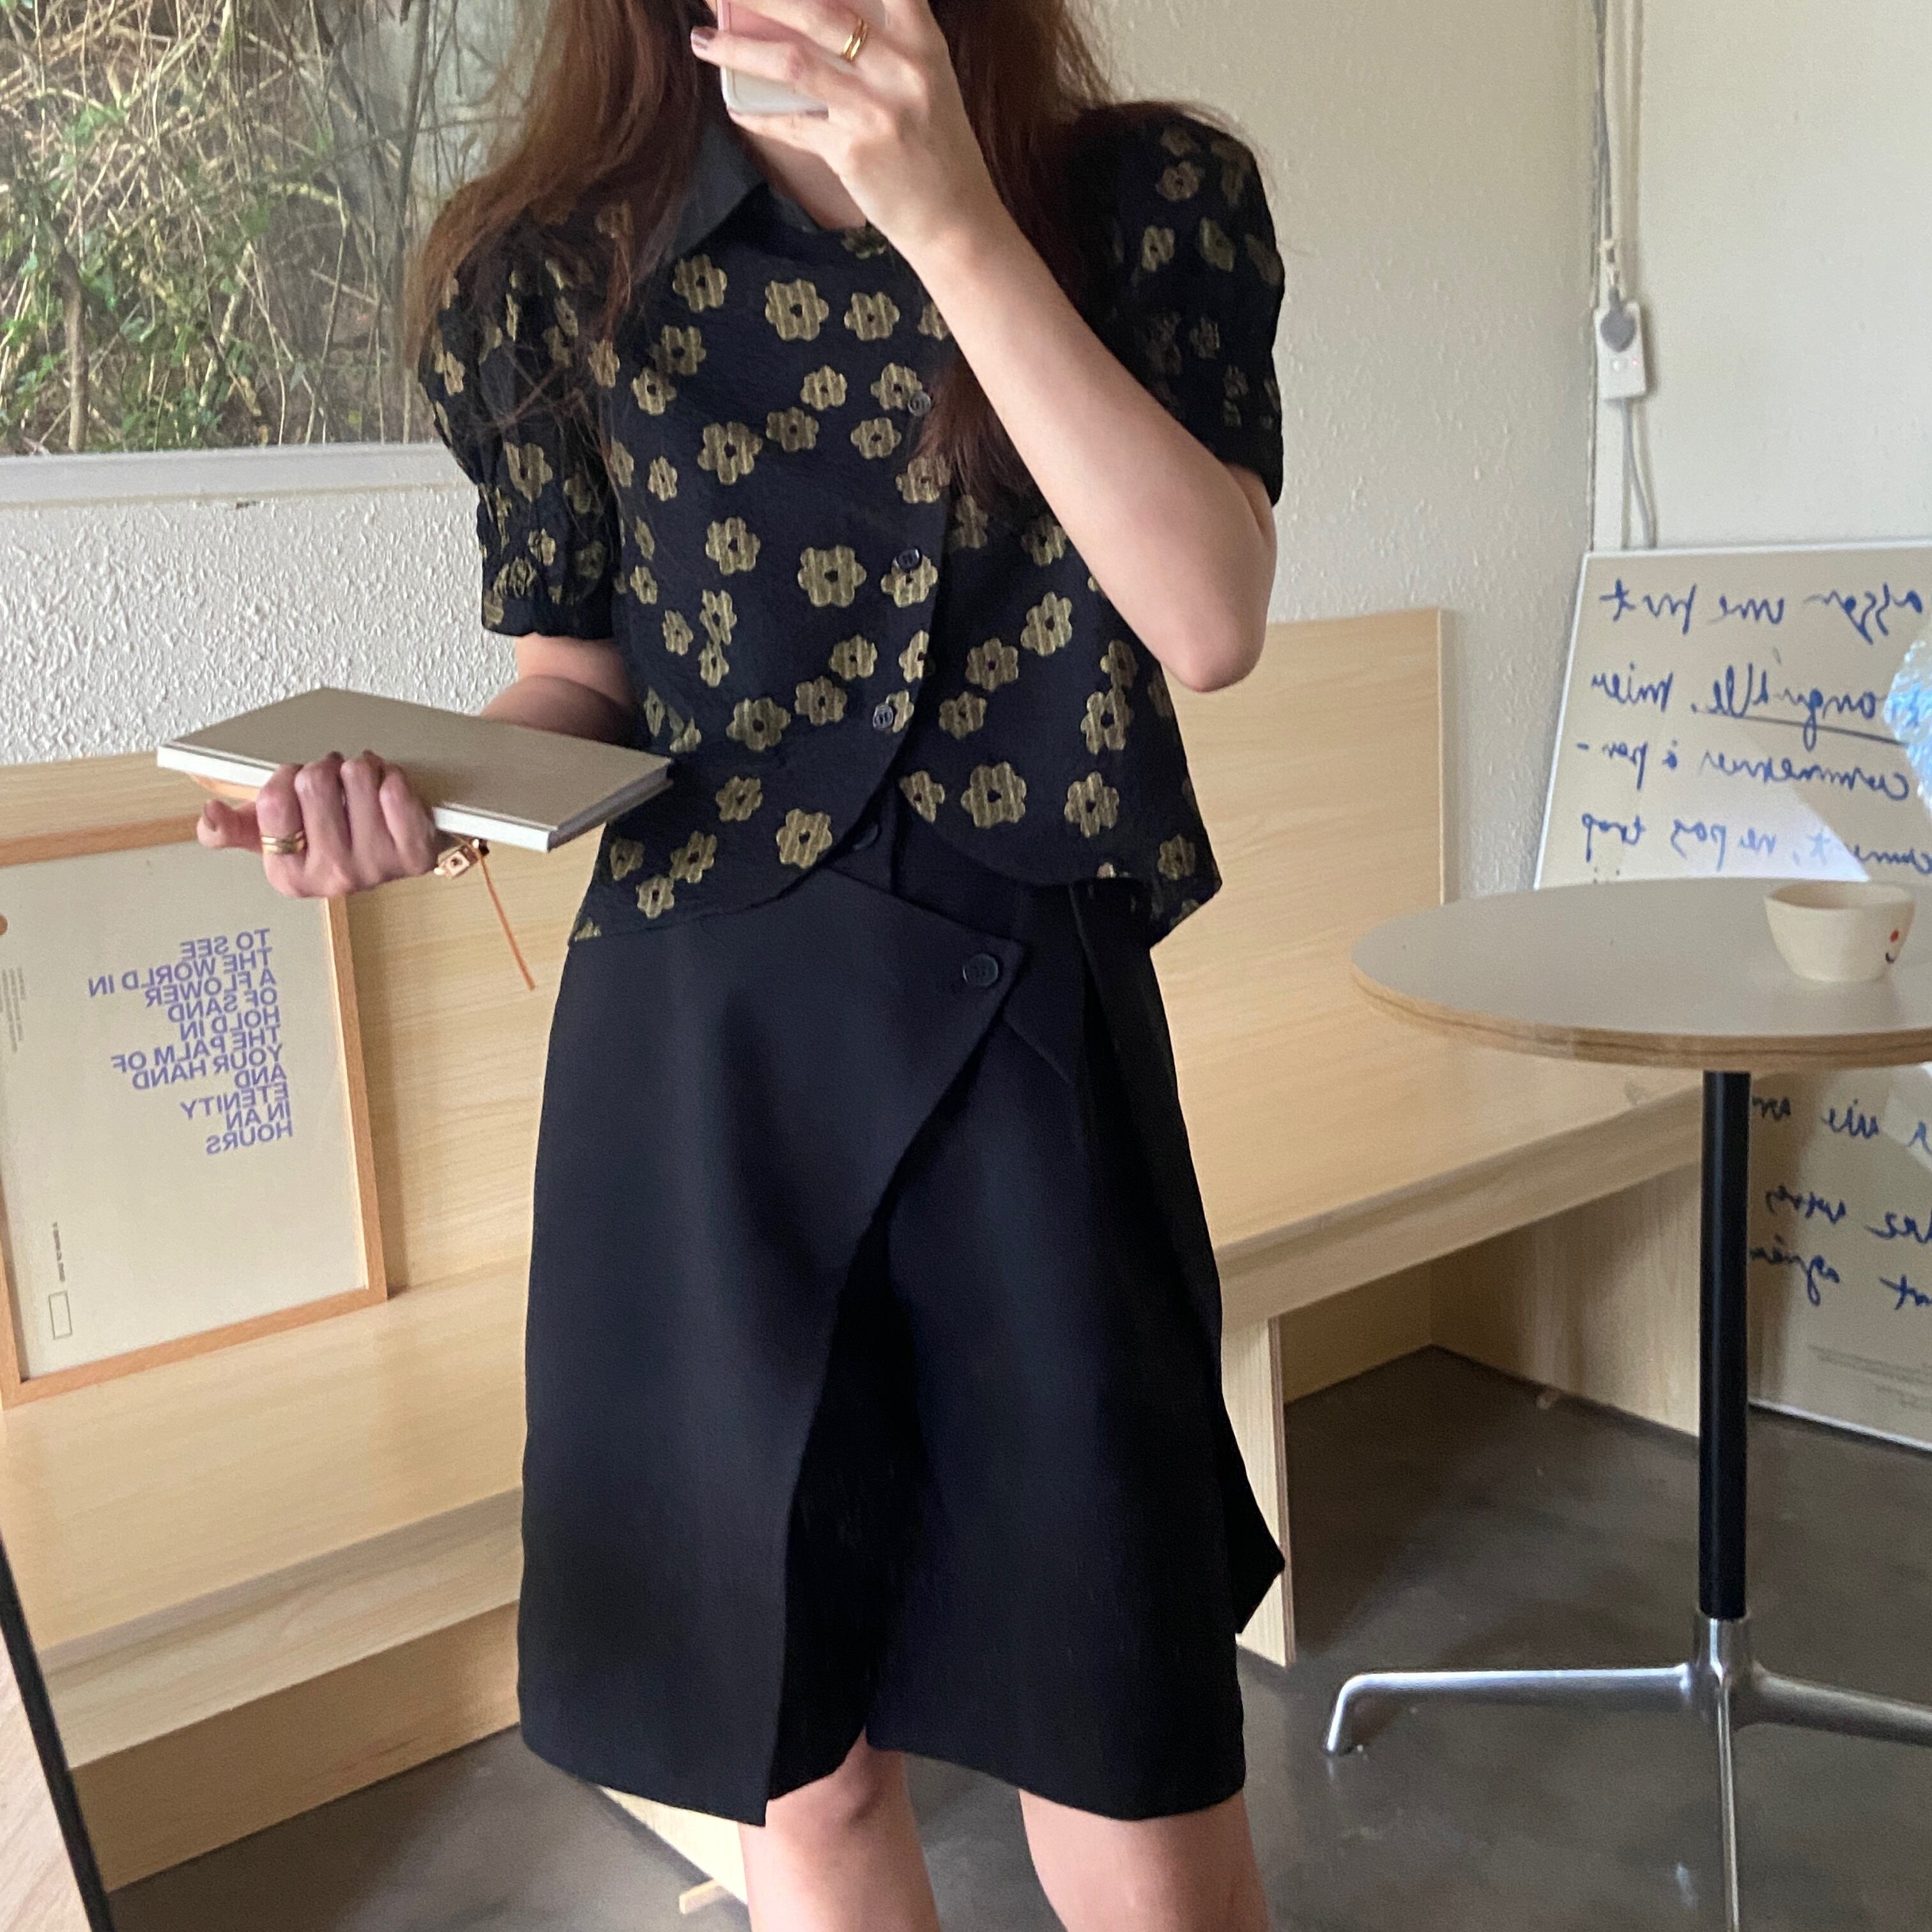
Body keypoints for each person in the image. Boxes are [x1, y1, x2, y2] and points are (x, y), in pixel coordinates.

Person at [199, 1, 1287, 1924]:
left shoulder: (1144, 199)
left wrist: (949, 214)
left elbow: (1205, 619)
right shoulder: (553, 266)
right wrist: (424, 797)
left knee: (1121, 1741)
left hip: (1025, 1052)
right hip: (702, 1068)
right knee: (802, 1767)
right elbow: (583, 680)